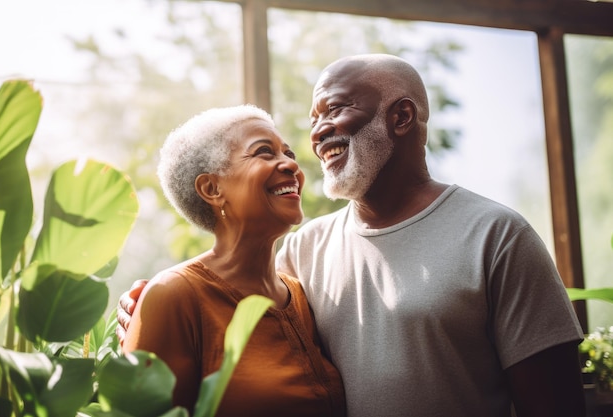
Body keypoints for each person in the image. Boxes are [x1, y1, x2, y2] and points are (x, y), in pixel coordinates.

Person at [119, 54, 586, 417]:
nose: (316, 137)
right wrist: (148, 307)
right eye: (312, 120)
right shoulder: (302, 252)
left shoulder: (497, 237)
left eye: (334, 110)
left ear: (401, 118)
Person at [120, 105, 346, 417]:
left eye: (288, 153)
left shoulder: (300, 296)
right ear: (212, 188)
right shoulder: (174, 295)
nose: (291, 165)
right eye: (264, 152)